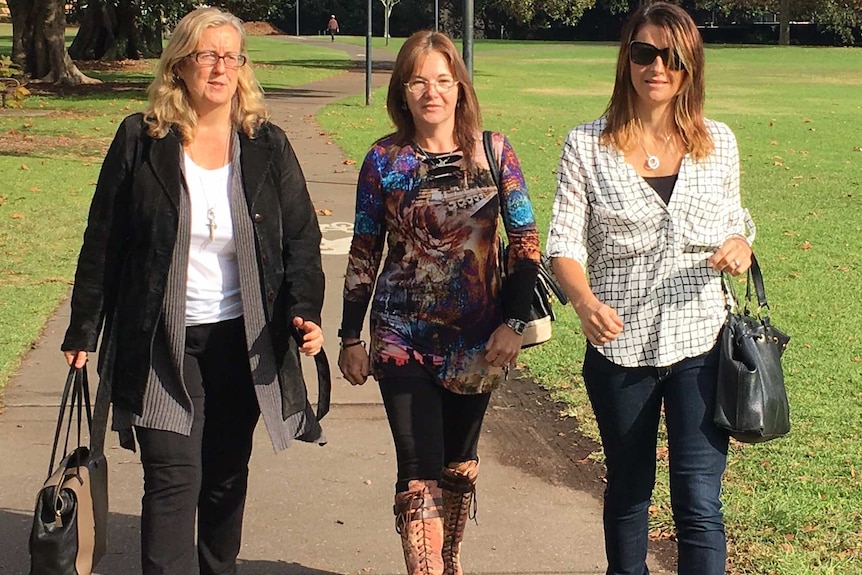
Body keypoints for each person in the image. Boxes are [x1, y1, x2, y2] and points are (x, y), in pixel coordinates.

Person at [61, 7, 328, 575]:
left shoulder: (266, 144)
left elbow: (300, 238)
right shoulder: (141, 138)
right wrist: (84, 324)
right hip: (160, 342)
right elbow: (104, 238)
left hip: (243, 342)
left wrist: (304, 312)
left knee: (226, 476)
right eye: (207, 55)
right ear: (180, 64)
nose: (220, 67)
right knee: (172, 478)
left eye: (231, 56)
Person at [546, 3, 755, 575]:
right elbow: (563, 242)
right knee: (629, 489)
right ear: (627, 60)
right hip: (619, 345)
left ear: (690, 64)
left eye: (672, 56)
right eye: (644, 53)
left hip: (701, 341)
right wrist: (584, 302)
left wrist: (741, 244)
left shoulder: (720, 142)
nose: (657, 67)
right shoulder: (587, 145)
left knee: (698, 502)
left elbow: (736, 219)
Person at [337, 30, 540, 575]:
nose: (432, 92)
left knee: (457, 465)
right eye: (418, 81)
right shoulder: (383, 159)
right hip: (400, 334)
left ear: (460, 89)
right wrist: (350, 336)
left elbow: (525, 246)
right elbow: (364, 248)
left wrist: (514, 324)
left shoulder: (494, 152)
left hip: (479, 338)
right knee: (418, 470)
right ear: (403, 91)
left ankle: (448, 559)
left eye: (443, 81)